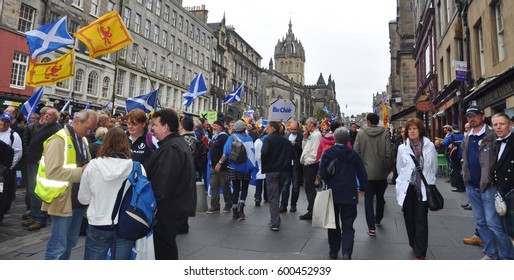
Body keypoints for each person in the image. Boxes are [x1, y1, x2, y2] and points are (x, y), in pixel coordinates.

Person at [40, 109, 97, 260]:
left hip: (77, 201)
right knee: (57, 246)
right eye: (88, 128)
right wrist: (82, 172)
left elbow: (87, 164)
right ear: (77, 121)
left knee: (70, 242)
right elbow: (52, 172)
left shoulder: (82, 139)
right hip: (62, 200)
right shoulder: (58, 140)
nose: (90, 132)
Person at [462, 106, 514, 260]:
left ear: (482, 116)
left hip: (489, 186)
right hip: (471, 185)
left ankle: (507, 256)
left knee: (493, 224)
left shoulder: (492, 135)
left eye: (475, 116)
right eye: (469, 117)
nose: (472, 119)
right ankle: (490, 253)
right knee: (481, 222)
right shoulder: (467, 136)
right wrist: (464, 174)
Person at [78, 127, 137, 260]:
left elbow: (83, 199)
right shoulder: (136, 167)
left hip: (98, 222)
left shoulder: (93, 165)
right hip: (126, 223)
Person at [144, 108, 196, 260]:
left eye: (155, 124)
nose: (152, 128)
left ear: (165, 127)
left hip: (168, 209)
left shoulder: (172, 148)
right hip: (173, 207)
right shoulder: (174, 144)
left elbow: (163, 183)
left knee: (164, 249)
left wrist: (151, 205)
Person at [319, 127, 368, 260]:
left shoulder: (328, 154)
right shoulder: (353, 154)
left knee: (333, 223)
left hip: (333, 192)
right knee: (348, 225)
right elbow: (362, 173)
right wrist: (363, 187)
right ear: (347, 139)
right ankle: (347, 252)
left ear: (335, 138)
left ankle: (334, 250)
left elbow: (322, 174)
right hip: (349, 192)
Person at [395, 118, 437, 260]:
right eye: (409, 129)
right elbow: (399, 168)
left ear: (420, 130)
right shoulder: (402, 148)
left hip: (423, 189)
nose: (412, 131)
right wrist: (399, 186)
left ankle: (420, 252)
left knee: (421, 219)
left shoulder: (429, 146)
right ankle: (413, 243)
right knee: (409, 218)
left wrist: (429, 181)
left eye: (415, 128)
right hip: (408, 188)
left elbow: (433, 167)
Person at [22, 108, 61, 231]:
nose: (46, 116)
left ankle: (40, 218)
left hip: (41, 164)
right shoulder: (44, 126)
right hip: (33, 161)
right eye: (45, 114)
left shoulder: (56, 129)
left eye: (49, 115)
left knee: (39, 192)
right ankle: (34, 216)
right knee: (32, 190)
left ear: (55, 117)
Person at [354, 113, 393, 236]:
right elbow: (389, 153)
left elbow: (356, 153)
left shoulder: (360, 134)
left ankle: (371, 227)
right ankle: (378, 218)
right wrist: (387, 168)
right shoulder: (385, 133)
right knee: (380, 197)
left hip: (366, 172)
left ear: (368, 122)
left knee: (368, 199)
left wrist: (359, 170)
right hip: (381, 171)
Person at [216, 120, 255, 220]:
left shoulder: (231, 138)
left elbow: (226, 153)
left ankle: (234, 210)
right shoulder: (250, 138)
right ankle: (241, 208)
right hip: (246, 167)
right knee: (245, 187)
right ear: (244, 128)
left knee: (236, 188)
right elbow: (252, 153)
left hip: (234, 166)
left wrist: (220, 163)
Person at [261, 121, 293, 231]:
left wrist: (264, 165)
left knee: (273, 196)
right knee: (277, 193)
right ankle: (274, 218)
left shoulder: (268, 139)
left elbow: (264, 153)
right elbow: (292, 155)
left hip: (272, 170)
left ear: (273, 129)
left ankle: (275, 222)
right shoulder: (286, 140)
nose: (266, 129)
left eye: (268, 128)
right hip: (284, 171)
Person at [491, 113, 514, 241]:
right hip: (501, 189)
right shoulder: (495, 143)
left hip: (512, 188)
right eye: (495, 124)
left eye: (502, 124)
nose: (498, 127)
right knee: (505, 228)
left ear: (510, 125)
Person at [0, 113, 22, 224]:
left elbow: (17, 153)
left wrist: (8, 168)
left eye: (6, 122)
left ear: (10, 123)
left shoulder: (14, 136)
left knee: (2, 196)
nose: (3, 123)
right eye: (2, 120)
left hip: (3, 173)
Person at [299, 117, 323, 220]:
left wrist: (307, 161)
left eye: (307, 124)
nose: (305, 126)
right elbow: (305, 148)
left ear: (312, 124)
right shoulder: (311, 135)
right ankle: (311, 209)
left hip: (311, 165)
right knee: (308, 187)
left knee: (310, 188)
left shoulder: (317, 135)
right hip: (307, 164)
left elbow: (315, 152)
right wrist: (304, 138)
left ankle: (312, 210)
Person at [208, 120, 232, 213]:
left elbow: (226, 152)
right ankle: (214, 205)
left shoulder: (224, 137)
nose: (214, 127)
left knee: (225, 186)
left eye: (216, 126)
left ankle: (228, 204)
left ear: (221, 127)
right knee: (214, 186)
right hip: (213, 166)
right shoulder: (214, 137)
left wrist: (220, 163)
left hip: (223, 167)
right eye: (213, 125)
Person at [280, 121, 303, 213]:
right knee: (285, 185)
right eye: (291, 129)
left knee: (295, 186)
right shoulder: (286, 136)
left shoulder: (301, 137)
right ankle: (283, 205)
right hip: (287, 162)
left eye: (294, 129)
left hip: (296, 163)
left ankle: (293, 204)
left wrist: (296, 144)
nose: (293, 131)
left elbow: (303, 149)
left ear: (298, 129)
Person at [442, 124, 465, 192]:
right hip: (462, 155)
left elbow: (444, 143)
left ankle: (459, 187)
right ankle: (463, 185)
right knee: (462, 170)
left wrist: (447, 136)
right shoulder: (462, 136)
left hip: (455, 156)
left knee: (456, 171)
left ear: (452, 129)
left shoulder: (451, 136)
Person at [253, 127, 268, 207]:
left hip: (259, 164)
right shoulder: (269, 140)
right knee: (266, 181)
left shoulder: (258, 141)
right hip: (267, 164)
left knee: (259, 181)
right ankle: (266, 196)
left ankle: (258, 197)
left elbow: (255, 153)